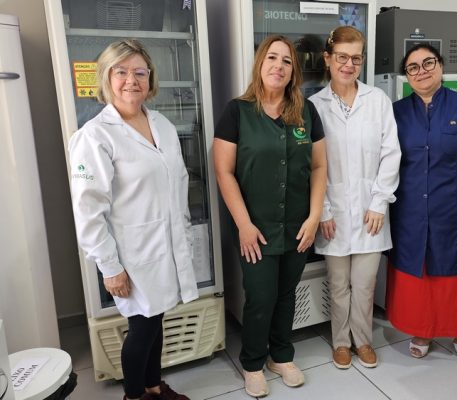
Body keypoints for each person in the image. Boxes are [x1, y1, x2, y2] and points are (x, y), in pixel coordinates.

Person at [68, 39, 195, 400]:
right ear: (106, 78)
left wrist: (184, 234)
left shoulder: (161, 124)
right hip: (131, 254)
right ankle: (135, 396)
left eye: (140, 72)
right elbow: (88, 210)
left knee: (157, 319)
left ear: (150, 78)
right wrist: (110, 267)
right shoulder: (95, 136)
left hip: (166, 245)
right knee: (142, 329)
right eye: (121, 72)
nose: (131, 80)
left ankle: (154, 387)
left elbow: (178, 183)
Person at [213, 35, 327, 397]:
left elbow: (319, 166)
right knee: (261, 296)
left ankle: (281, 356)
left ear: (294, 71)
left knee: (286, 293)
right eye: (272, 58)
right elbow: (224, 172)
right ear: (260, 64)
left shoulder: (306, 112)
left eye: (287, 61)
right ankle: (252, 363)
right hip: (255, 226)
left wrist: (314, 216)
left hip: (297, 224)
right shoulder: (238, 111)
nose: (279, 66)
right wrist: (243, 225)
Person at [386, 44, 457, 359]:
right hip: (409, 211)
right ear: (406, 75)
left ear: (441, 66)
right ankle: (422, 331)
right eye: (413, 67)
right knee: (419, 275)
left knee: (454, 275)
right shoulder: (395, 112)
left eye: (428, 63)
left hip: (454, 210)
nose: (421, 71)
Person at [309, 26, 401, 370]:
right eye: (342, 57)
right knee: (338, 284)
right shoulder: (314, 106)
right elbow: (313, 164)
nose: (349, 65)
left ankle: (363, 341)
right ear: (328, 59)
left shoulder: (377, 100)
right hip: (332, 212)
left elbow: (391, 153)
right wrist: (323, 210)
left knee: (364, 284)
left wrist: (379, 203)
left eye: (356, 59)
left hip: (370, 211)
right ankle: (341, 342)